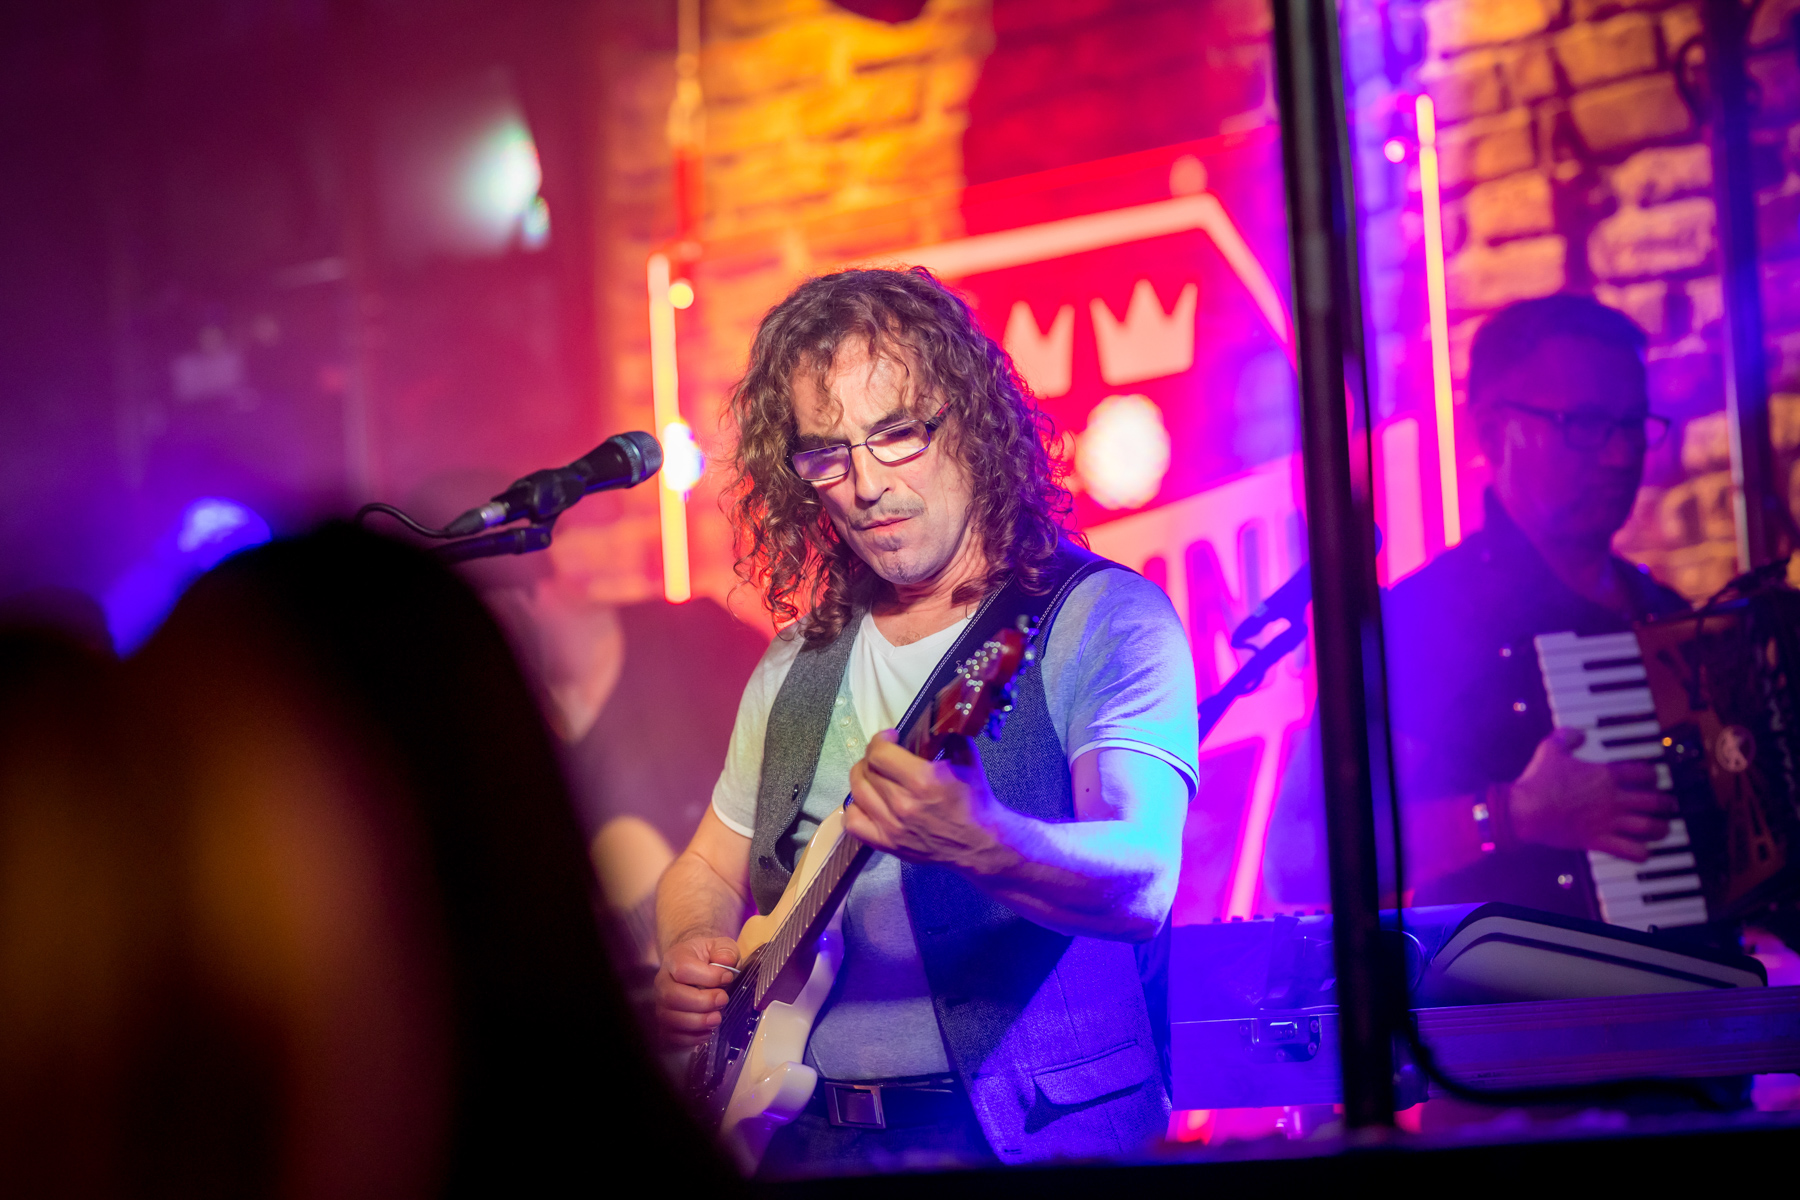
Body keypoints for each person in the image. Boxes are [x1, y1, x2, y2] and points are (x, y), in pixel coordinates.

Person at [652, 268, 1198, 1176]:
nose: (866, 485)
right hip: (808, 1141)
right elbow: (706, 866)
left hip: (1038, 1144)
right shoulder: (793, 665)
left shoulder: (1102, 620)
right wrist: (691, 951)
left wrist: (987, 842)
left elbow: (1143, 880)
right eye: (827, 455)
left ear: (971, 423)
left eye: (896, 433)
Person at [1384, 294, 1688, 915]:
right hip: (1499, 980)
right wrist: (1509, 814)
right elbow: (1299, 855)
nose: (1620, 456)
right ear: (1494, 433)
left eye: (1633, 424)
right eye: (1584, 424)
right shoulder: (1421, 619)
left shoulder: (1668, 614)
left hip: (1688, 975)